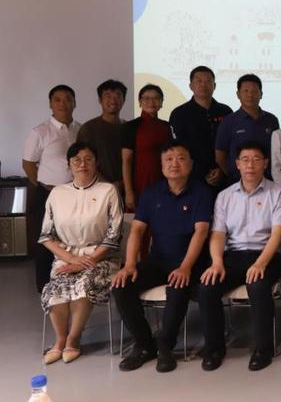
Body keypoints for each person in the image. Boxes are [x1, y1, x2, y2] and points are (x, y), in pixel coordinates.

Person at [112, 141, 213, 373]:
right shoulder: (151, 193)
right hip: (158, 260)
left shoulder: (201, 192)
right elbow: (137, 230)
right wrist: (130, 264)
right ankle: (144, 345)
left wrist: (185, 267)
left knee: (177, 286)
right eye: (168, 159)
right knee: (122, 286)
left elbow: (201, 232)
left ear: (191, 164)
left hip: (191, 263)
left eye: (180, 158)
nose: (174, 164)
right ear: (161, 165)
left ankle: (166, 346)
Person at [197, 141, 281, 371]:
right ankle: (214, 349)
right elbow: (218, 234)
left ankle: (263, 349)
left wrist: (260, 263)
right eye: (245, 160)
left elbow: (278, 234)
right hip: (234, 256)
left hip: (267, 255)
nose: (250, 165)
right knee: (207, 286)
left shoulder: (277, 193)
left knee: (258, 285)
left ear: (265, 163)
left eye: (256, 159)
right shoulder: (225, 196)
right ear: (237, 164)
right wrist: (217, 262)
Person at [38, 142, 123, 365]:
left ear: (96, 163)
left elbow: (114, 236)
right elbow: (46, 236)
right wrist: (71, 259)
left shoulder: (108, 191)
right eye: (76, 160)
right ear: (69, 165)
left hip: (101, 257)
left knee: (84, 285)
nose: (82, 164)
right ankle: (60, 340)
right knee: (54, 288)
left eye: (88, 159)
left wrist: (85, 261)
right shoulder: (57, 193)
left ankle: (73, 340)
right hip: (66, 257)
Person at [23, 84, 81, 292]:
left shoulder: (80, 129)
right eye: (57, 99)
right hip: (48, 193)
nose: (63, 103)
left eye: (68, 99)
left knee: (73, 238)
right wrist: (43, 186)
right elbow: (28, 164)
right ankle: (45, 286)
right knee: (46, 241)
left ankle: (71, 280)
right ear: (50, 104)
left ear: (74, 103)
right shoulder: (40, 131)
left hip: (76, 194)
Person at [169, 66, 233, 189]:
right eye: (199, 81)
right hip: (191, 178)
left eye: (208, 81)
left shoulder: (226, 111)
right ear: (191, 86)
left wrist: (222, 169)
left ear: (214, 86)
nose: (204, 85)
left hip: (224, 177)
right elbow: (177, 148)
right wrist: (203, 173)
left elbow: (231, 144)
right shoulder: (179, 113)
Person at [215, 74, 280, 183]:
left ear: (261, 94)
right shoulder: (228, 121)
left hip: (268, 181)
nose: (250, 94)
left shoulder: (271, 120)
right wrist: (233, 175)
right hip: (237, 182)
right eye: (246, 91)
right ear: (238, 94)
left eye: (254, 91)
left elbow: (276, 152)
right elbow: (220, 156)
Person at [121, 84, 172, 213]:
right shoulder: (131, 126)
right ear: (140, 102)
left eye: (156, 98)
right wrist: (128, 192)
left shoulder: (166, 126)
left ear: (161, 102)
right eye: (146, 98)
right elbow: (126, 160)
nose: (151, 102)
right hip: (140, 183)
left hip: (164, 182)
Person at [77, 79, 127, 188]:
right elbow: (83, 161)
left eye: (118, 95)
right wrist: (109, 185)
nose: (113, 100)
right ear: (100, 100)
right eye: (108, 96)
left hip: (126, 188)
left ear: (124, 100)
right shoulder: (88, 128)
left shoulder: (129, 127)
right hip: (97, 188)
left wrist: (123, 183)